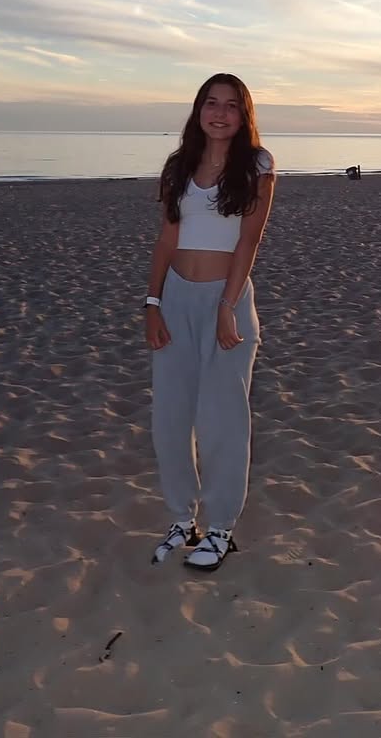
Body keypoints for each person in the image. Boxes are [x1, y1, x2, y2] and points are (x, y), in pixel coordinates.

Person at [144, 73, 276, 573]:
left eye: (231, 106)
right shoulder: (178, 166)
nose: (220, 114)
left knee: (222, 420)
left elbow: (248, 241)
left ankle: (220, 527)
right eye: (211, 103)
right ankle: (183, 519)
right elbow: (166, 239)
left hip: (228, 301)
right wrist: (152, 302)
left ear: (244, 115)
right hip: (176, 298)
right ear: (198, 110)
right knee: (170, 419)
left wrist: (227, 304)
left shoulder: (258, 165)